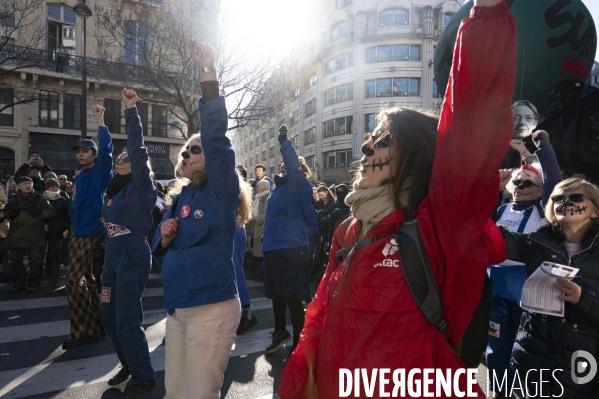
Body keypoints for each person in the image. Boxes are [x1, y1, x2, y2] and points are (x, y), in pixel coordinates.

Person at [278, 0, 515, 396]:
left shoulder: (438, 224)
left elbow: (474, 116)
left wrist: (486, 16)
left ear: (418, 157)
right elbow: (319, 314)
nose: (366, 149)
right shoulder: (351, 229)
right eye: (369, 140)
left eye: (383, 141)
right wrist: (300, 379)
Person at [151, 39, 247, 398]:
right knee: (175, 392)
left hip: (211, 309)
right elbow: (158, 251)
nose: (188, 153)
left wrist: (208, 75)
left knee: (198, 394)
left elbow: (217, 139)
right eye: (186, 149)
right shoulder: (180, 196)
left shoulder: (221, 189)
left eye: (196, 148)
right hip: (177, 309)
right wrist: (163, 236)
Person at [502, 178, 599, 398]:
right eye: (558, 198)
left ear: (595, 210)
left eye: (575, 197)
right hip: (531, 359)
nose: (565, 202)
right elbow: (491, 239)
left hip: (582, 366)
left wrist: (583, 297)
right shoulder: (535, 243)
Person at [486, 131, 561, 398]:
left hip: (527, 291)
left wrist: (542, 151)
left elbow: (554, 183)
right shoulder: (501, 209)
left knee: (527, 347)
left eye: (529, 180)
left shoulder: (544, 210)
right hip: (494, 288)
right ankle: (500, 391)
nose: (521, 184)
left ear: (542, 189)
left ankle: (528, 392)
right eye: (517, 180)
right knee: (496, 345)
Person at [101, 88, 158, 398]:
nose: (122, 160)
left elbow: (136, 148)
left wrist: (130, 110)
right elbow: (103, 162)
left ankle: (145, 377)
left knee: (126, 320)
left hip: (133, 258)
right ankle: (129, 362)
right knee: (109, 318)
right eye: (119, 159)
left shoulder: (141, 189)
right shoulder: (112, 192)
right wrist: (100, 123)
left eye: (127, 159)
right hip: (111, 261)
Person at [63, 105, 114, 350]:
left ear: (93, 154)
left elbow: (107, 151)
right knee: (85, 278)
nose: (81, 155)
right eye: (78, 152)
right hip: (78, 230)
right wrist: (69, 228)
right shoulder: (79, 175)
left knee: (73, 279)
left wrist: (100, 119)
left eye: (85, 151)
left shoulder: (99, 173)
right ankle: (96, 325)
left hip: (90, 231)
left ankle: (85, 329)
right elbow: (75, 206)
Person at [262, 125, 316, 354]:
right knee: (277, 296)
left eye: (291, 167)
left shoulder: (299, 187)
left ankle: (299, 346)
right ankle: (280, 332)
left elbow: (294, 168)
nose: (285, 169)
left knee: (293, 300)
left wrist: (285, 144)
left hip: (293, 250)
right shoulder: (277, 191)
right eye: (283, 167)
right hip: (274, 249)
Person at [5, 176, 55, 293]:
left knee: (35, 261)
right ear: (18, 186)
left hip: (35, 236)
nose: (28, 185)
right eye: (24, 183)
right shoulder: (13, 199)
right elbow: (5, 213)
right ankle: (19, 283)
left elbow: (52, 212)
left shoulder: (40, 198)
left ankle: (33, 282)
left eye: (29, 183)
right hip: (16, 236)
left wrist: (40, 213)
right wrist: (10, 213)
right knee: (16, 262)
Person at [43, 178, 70, 287]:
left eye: (57, 186)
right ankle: (44, 272)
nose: (55, 188)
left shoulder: (63, 199)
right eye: (52, 186)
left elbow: (65, 216)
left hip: (57, 229)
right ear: (47, 187)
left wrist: (65, 229)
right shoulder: (41, 198)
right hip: (41, 230)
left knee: (55, 253)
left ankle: (54, 276)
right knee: (40, 255)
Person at [501, 100, 539, 169]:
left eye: (528, 118)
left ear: (535, 122)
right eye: (516, 118)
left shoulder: (540, 147)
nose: (522, 122)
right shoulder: (496, 146)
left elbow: (543, 173)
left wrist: (524, 152)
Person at [248, 179, 270, 283]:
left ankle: (264, 274)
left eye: (259, 187)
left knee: (260, 254)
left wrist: (256, 218)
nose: (257, 189)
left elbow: (268, 214)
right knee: (257, 253)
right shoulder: (257, 198)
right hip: (256, 228)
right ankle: (261, 273)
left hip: (262, 229)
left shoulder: (266, 198)